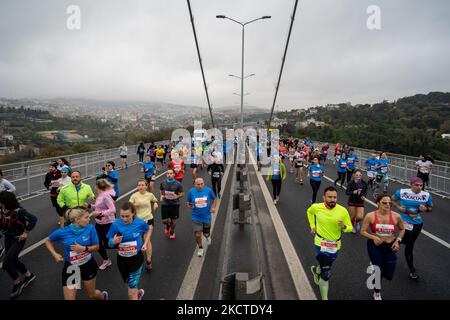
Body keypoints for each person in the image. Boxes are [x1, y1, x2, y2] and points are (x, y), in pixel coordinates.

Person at [45, 207, 108, 300]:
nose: (89, 219)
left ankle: (103, 297)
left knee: (91, 295)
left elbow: (97, 246)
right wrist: (54, 254)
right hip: (72, 267)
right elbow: (48, 241)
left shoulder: (90, 228)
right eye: (86, 217)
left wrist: (83, 248)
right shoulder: (63, 232)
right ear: (77, 220)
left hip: (88, 265)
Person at [308, 186, 353, 300]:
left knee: (327, 265)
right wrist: (312, 225)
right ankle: (324, 298)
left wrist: (344, 227)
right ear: (324, 197)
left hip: (335, 245)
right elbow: (309, 212)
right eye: (330, 197)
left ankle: (316, 270)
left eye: (335, 197)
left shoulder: (342, 210)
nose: (332, 199)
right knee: (326, 274)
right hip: (320, 243)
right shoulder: (316, 207)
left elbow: (350, 228)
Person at [360, 194, 405, 300]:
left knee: (389, 275)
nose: (388, 204)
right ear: (378, 203)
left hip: (390, 246)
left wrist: (398, 241)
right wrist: (373, 237)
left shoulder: (396, 216)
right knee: (379, 270)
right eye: (384, 202)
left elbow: (402, 229)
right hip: (375, 245)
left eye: (389, 203)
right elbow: (362, 231)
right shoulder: (370, 216)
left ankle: (377, 271)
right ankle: (376, 292)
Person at [392, 177, 433, 280]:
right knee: (408, 244)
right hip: (403, 221)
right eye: (417, 185)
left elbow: (431, 207)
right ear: (411, 185)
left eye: (421, 185)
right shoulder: (401, 192)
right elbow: (391, 200)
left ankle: (393, 246)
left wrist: (426, 209)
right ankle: (412, 270)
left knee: (409, 244)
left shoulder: (426, 195)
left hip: (417, 223)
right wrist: (398, 207)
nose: (419, 187)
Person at [107, 202, 150, 300]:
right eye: (122, 216)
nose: (124, 219)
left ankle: (134, 295)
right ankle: (137, 294)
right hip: (122, 260)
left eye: (127, 216)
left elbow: (148, 229)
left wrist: (145, 243)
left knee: (130, 294)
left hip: (136, 259)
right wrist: (113, 241)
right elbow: (109, 244)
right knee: (128, 284)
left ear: (133, 214)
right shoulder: (115, 224)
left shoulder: (140, 223)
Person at [0, 191, 37, 299]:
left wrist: (26, 232)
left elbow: (33, 219)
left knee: (6, 264)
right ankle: (29, 275)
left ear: (5, 202)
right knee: (13, 259)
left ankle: (17, 283)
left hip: (18, 238)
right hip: (8, 237)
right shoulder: (2, 210)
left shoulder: (19, 211)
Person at [129, 179, 158, 270]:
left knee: (147, 239)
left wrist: (155, 204)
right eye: (139, 185)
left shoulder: (149, 195)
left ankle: (149, 260)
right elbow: (128, 207)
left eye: (142, 185)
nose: (141, 187)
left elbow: (155, 200)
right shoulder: (134, 195)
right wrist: (134, 205)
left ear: (146, 186)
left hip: (148, 219)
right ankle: (141, 251)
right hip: (137, 221)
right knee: (140, 239)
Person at [186, 178, 217, 257]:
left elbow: (214, 199)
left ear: (204, 183)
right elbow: (188, 202)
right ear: (194, 185)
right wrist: (189, 205)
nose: (200, 186)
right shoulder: (191, 192)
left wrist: (213, 207)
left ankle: (207, 236)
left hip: (206, 216)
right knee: (197, 235)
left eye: (202, 184)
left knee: (206, 234)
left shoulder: (208, 190)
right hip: (196, 216)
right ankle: (200, 248)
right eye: (198, 184)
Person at [91, 179, 116, 271]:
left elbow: (113, 209)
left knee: (109, 243)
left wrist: (100, 214)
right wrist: (90, 206)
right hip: (99, 223)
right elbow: (97, 207)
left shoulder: (105, 196)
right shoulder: (100, 195)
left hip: (108, 223)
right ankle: (106, 260)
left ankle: (125, 248)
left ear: (96, 186)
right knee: (97, 243)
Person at [160, 170, 184, 239]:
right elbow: (161, 190)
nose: (169, 175)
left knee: (173, 221)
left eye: (171, 173)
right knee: (164, 221)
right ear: (166, 175)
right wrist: (161, 195)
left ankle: (172, 231)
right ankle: (167, 225)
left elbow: (182, 193)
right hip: (165, 203)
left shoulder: (178, 184)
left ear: (174, 174)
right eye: (168, 173)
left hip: (175, 204)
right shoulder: (163, 182)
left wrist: (177, 196)